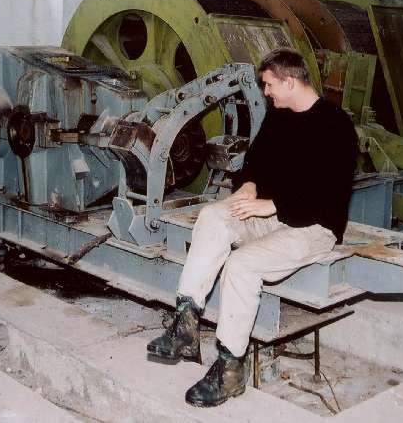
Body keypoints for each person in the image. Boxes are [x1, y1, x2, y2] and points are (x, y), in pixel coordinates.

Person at [146, 47, 359, 407]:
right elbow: (257, 160)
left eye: (269, 84)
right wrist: (248, 184)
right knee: (213, 217)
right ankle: (185, 324)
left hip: (314, 226)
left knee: (241, 265)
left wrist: (273, 205)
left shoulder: (336, 126)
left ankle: (230, 370)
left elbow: (327, 196)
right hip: (272, 216)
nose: (266, 92)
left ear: (290, 82)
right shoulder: (279, 116)